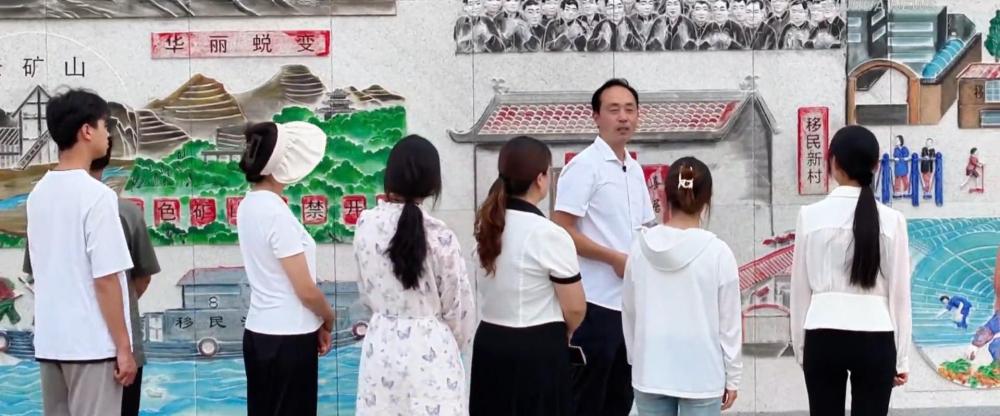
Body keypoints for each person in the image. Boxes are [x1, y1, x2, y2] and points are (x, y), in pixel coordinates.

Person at [24, 136, 161, 416]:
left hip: (54, 345)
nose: (105, 135)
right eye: (101, 127)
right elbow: (115, 279)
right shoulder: (109, 204)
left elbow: (36, 272)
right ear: (87, 133)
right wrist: (120, 331)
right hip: (100, 348)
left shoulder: (38, 197)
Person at [791, 125, 912, 416]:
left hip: (822, 334)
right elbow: (899, 295)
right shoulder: (892, 220)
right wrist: (901, 358)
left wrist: (801, 348)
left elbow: (800, 290)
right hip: (876, 336)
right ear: (875, 165)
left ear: (833, 161)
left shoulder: (809, 216)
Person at [353, 135, 476, 416]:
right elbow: (459, 311)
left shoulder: (365, 224)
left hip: (381, 347)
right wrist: (449, 341)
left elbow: (365, 290)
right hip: (431, 352)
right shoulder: (440, 235)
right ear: (433, 185)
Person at [553, 79, 655, 416]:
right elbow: (562, 228)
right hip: (593, 305)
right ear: (596, 116)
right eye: (613, 109)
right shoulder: (584, 167)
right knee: (586, 401)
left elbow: (645, 229)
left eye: (630, 109)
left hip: (629, 305)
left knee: (620, 399)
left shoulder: (635, 170)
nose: (623, 117)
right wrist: (611, 258)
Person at [470, 136, 587, 416]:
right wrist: (565, 331)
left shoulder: (487, 226)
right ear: (541, 178)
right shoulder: (548, 234)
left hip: (489, 342)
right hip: (536, 347)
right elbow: (575, 307)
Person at [622, 157, 742, 416]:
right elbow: (729, 324)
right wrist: (733, 376)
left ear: (666, 195)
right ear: (707, 199)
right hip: (702, 373)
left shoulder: (639, 249)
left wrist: (637, 359)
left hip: (650, 368)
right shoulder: (718, 252)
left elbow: (629, 312)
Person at [236, 121, 337, 416]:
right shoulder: (275, 213)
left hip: (259, 332)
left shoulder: (248, 205)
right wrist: (329, 318)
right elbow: (305, 290)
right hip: (289, 339)